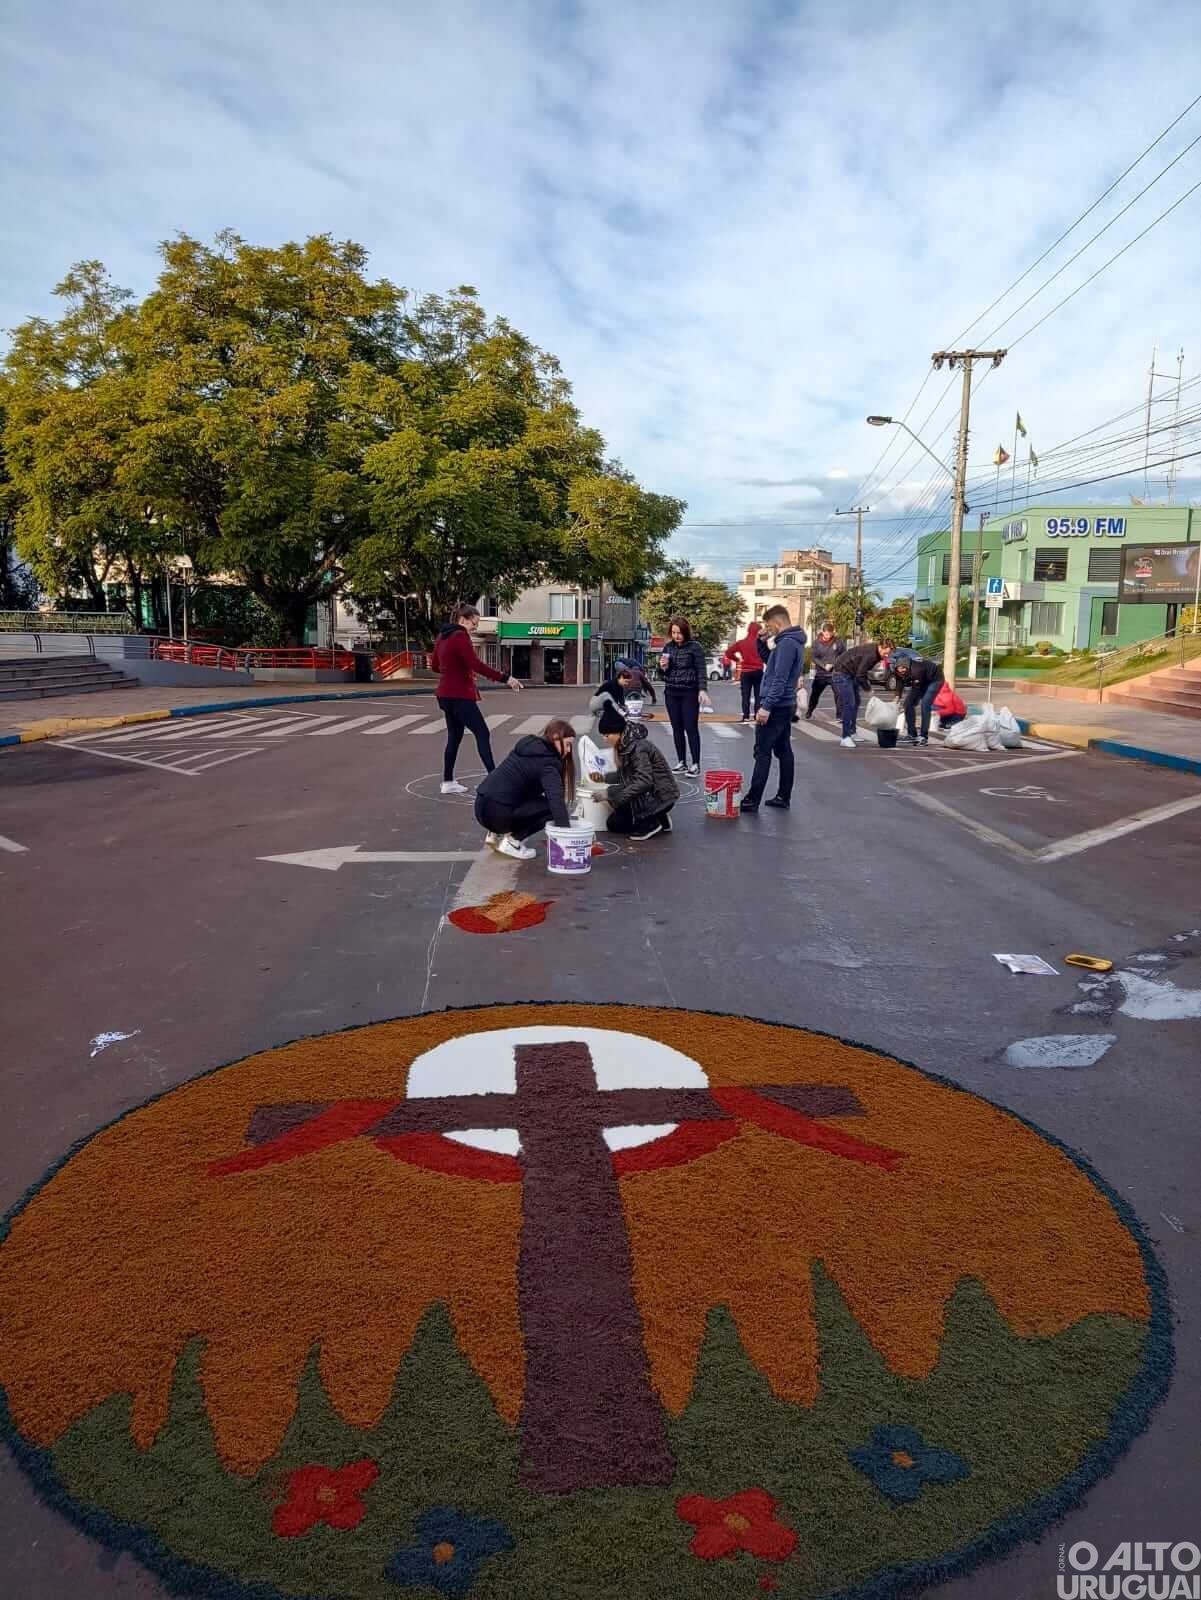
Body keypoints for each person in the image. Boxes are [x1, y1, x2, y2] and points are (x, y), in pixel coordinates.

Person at [431, 603, 521, 794]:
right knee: (482, 733)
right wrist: (506, 678)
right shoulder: (461, 636)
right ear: (463, 619)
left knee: (454, 737)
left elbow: (435, 666)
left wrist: (452, 669)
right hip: (460, 695)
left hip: (445, 695)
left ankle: (447, 782)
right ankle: (494, 780)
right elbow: (476, 664)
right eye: (475, 623)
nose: (475, 627)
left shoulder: (442, 636)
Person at [474, 718, 575, 860]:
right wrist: (568, 839)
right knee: (550, 808)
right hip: (497, 815)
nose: (570, 750)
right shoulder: (549, 764)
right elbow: (556, 802)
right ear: (555, 739)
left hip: (480, 807)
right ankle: (512, 842)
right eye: (568, 745)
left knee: (522, 791)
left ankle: (495, 834)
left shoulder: (528, 745)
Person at [740, 606, 806, 814]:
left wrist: (766, 706)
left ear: (777, 623)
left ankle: (752, 801)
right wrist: (761, 642)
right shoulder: (794, 641)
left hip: (776, 705)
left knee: (763, 752)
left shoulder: (786, 643)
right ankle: (783, 796)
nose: (769, 630)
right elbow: (772, 663)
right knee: (783, 750)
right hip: (785, 704)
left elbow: (779, 678)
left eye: (769, 626)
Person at [592, 702, 679, 839]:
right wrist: (604, 778)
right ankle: (660, 818)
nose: (604, 739)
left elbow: (644, 781)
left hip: (659, 795)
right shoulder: (624, 744)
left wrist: (613, 795)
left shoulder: (638, 748)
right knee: (614, 824)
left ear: (618, 731)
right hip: (648, 794)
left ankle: (651, 822)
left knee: (621, 821)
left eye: (607, 735)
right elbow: (626, 776)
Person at [658, 617, 710, 775]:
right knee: (677, 728)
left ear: (686, 632)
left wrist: (702, 690)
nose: (676, 636)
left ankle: (695, 764)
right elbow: (661, 673)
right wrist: (662, 667)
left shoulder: (695, 647)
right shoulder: (668, 647)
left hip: (689, 692)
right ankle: (681, 762)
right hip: (671, 692)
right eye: (673, 632)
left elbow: (701, 670)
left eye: (679, 633)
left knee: (690, 727)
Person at [830, 639, 892, 749]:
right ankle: (845, 737)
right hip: (841, 673)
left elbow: (861, 671)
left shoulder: (876, 653)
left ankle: (852, 732)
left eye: (889, 653)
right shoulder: (871, 654)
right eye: (885, 652)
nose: (887, 655)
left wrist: (866, 684)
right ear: (880, 647)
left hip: (850, 673)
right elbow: (860, 674)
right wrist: (867, 689)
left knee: (856, 702)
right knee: (850, 704)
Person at [893, 653, 944, 746]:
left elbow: (917, 688)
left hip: (935, 680)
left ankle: (923, 737)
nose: (901, 670)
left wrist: (913, 699)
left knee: (925, 704)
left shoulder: (917, 670)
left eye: (903, 668)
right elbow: (899, 684)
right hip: (922, 681)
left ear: (908, 666)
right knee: (907, 704)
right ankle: (912, 734)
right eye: (899, 668)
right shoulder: (897, 671)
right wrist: (897, 698)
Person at [723, 622, 766, 722]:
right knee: (758, 695)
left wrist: (737, 659)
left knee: (745, 695)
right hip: (758, 671)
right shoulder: (761, 642)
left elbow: (728, 652)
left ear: (748, 630)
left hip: (746, 672)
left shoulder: (741, 643)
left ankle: (746, 716)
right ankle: (756, 715)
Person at [805, 622, 844, 719]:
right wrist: (823, 665)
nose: (828, 636)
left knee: (839, 694)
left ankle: (839, 716)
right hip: (821, 674)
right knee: (815, 694)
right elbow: (814, 657)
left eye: (830, 634)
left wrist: (834, 664)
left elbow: (843, 654)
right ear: (822, 632)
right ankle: (810, 710)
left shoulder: (838, 642)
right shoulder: (816, 643)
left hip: (835, 673)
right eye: (826, 634)